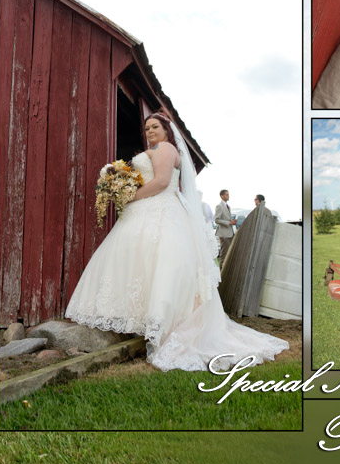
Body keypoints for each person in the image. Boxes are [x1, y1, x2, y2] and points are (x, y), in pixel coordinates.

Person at [64, 113, 288, 372]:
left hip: (159, 209)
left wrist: (130, 196)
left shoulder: (165, 148)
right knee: (142, 260)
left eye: (155, 127)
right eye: (146, 127)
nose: (149, 131)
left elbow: (160, 182)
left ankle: (166, 323)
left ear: (167, 130)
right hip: (151, 210)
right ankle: (141, 319)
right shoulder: (156, 149)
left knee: (160, 262)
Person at [213, 189, 237, 265]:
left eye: (228, 194)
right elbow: (216, 220)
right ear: (222, 196)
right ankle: (221, 273)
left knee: (229, 254)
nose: (228, 196)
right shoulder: (219, 206)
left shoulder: (227, 206)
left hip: (230, 233)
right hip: (224, 234)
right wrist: (229, 222)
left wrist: (232, 221)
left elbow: (226, 219)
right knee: (224, 255)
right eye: (226, 194)